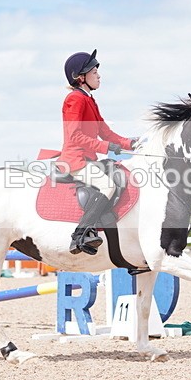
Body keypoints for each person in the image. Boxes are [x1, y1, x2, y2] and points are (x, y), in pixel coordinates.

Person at [59, 49, 137, 255]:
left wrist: (131, 144)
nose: (99, 75)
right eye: (94, 72)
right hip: (75, 160)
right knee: (107, 185)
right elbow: (74, 136)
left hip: (88, 159)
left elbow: (104, 131)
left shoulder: (89, 99)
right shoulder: (75, 99)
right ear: (81, 77)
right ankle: (80, 234)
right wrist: (106, 148)